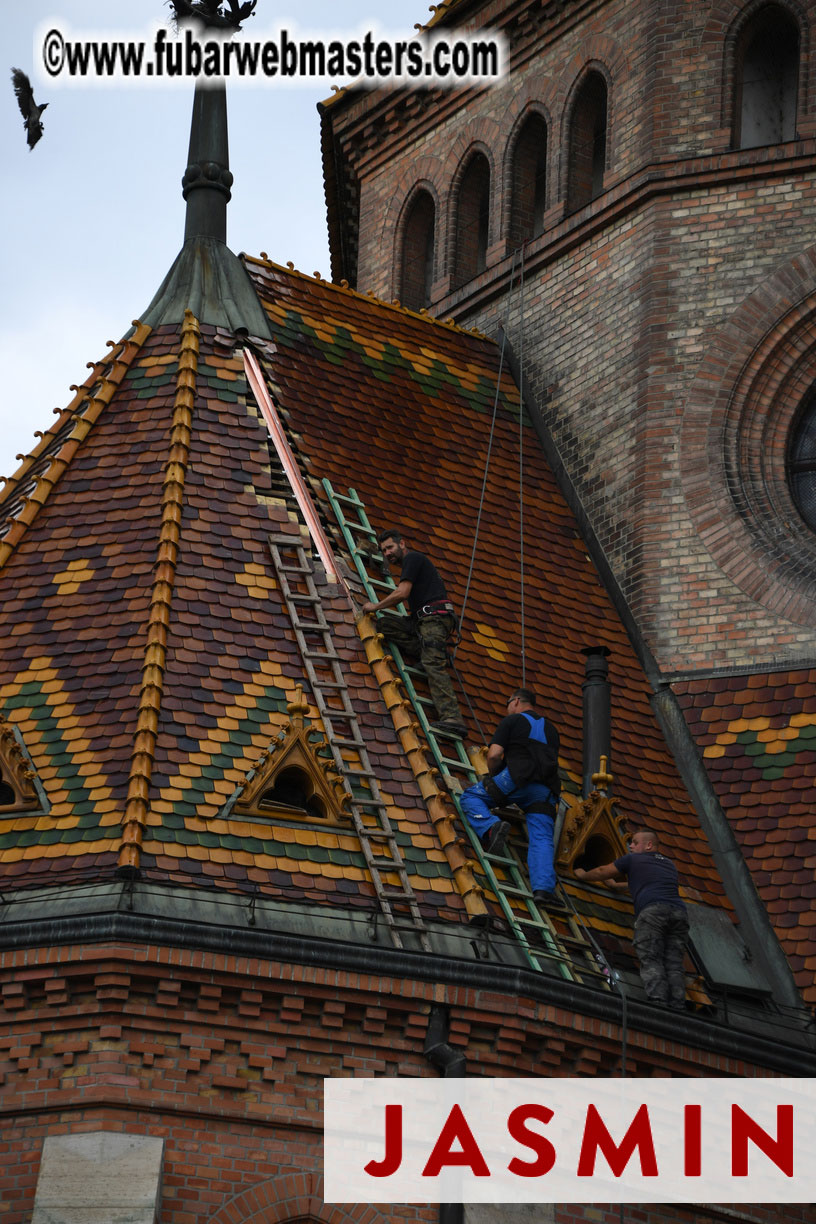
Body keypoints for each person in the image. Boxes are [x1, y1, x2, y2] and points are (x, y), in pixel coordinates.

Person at [361, 530, 467, 738]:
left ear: (403, 544)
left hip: (433, 619)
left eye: (390, 547)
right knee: (385, 625)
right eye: (384, 551)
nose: (388, 553)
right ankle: (426, 650)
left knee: (432, 665)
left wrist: (376, 605)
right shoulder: (410, 563)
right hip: (421, 622)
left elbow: (402, 593)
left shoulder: (413, 558)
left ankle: (453, 718)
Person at [460, 689, 561, 903]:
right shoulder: (552, 730)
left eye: (508, 703)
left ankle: (490, 828)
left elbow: (494, 754)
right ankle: (543, 890)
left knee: (471, 797)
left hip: (515, 778)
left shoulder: (512, 721)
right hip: (545, 789)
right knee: (542, 838)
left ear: (515, 701)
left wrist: (492, 777)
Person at [574, 829, 688, 1010]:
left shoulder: (632, 859)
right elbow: (643, 882)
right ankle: (678, 1004)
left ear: (649, 845)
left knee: (651, 956)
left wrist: (583, 875)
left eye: (635, 842)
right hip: (679, 914)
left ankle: (658, 1001)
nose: (631, 846)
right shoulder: (669, 865)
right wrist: (616, 886)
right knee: (673, 962)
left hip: (653, 912)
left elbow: (604, 870)